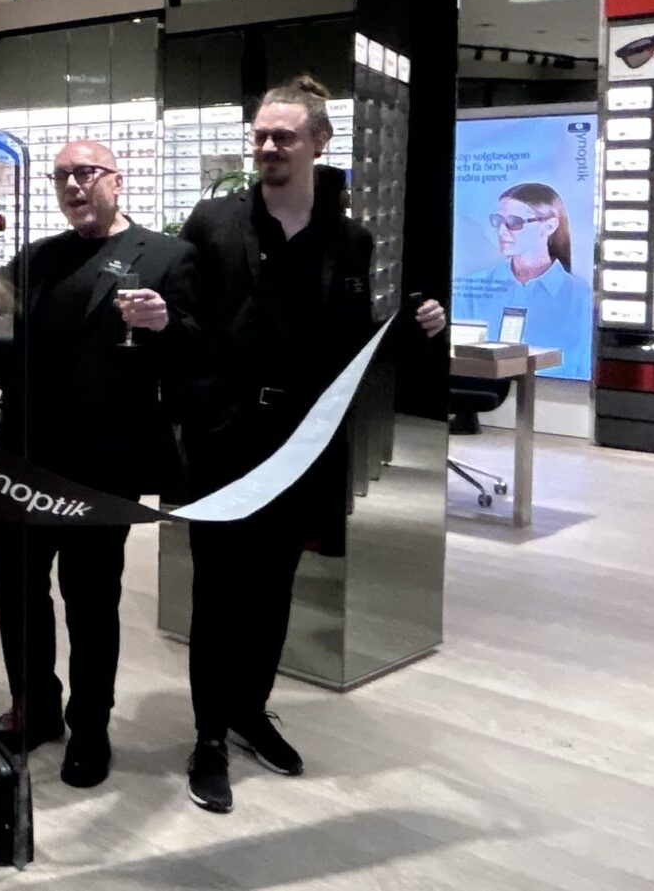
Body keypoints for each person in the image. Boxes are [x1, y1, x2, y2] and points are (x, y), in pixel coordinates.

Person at [175, 77, 444, 816]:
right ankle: (207, 735)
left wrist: (415, 327)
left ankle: (249, 710)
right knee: (217, 590)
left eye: (283, 136)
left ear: (319, 143)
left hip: (303, 445)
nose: (268, 147)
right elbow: (186, 326)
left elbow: (352, 346)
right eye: (261, 135)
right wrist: (199, 414)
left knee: (273, 587)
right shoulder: (212, 222)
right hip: (225, 443)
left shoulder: (348, 240)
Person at [0, 138, 196, 790]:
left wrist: (165, 323)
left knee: (91, 602)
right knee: (18, 592)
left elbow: (195, 352)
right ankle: (34, 707)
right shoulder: (39, 257)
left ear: (117, 180)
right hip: (20, 458)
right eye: (62, 175)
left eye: (86, 172)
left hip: (102, 466)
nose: (73, 184)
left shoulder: (166, 255)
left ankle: (90, 725)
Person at [457, 182, 589, 345]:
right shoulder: (472, 288)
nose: (501, 231)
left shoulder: (581, 298)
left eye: (514, 222)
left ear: (549, 226)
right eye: (498, 220)